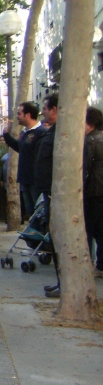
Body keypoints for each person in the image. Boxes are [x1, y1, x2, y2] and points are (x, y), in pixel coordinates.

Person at [2, 101, 47, 218]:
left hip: (35, 181)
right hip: (25, 179)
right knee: (31, 212)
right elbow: (20, 148)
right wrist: (6, 136)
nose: (17, 116)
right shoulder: (24, 133)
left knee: (39, 213)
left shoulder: (41, 133)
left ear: (27, 115)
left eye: (19, 113)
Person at [35, 94, 60, 297]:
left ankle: (65, 283)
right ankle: (62, 281)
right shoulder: (52, 133)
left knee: (60, 239)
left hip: (57, 194)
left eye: (45, 108)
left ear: (55, 109)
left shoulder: (63, 133)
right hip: (49, 192)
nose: (42, 111)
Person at [83, 106, 103, 278]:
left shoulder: (91, 141)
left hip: (93, 190)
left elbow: (85, 167)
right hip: (98, 189)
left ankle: (92, 263)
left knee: (91, 228)